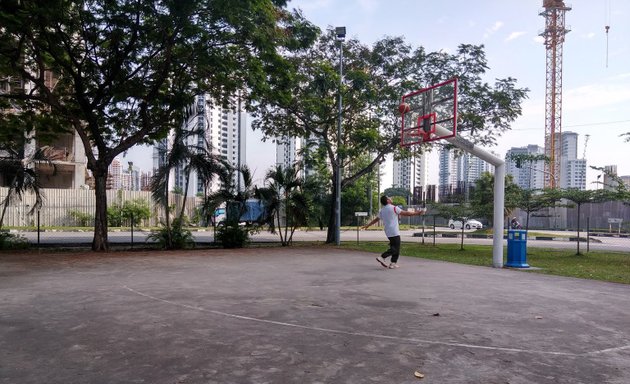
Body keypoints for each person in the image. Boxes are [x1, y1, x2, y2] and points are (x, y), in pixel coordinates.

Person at [362, 195, 426, 269]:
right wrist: (417, 213)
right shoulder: (394, 208)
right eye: (389, 198)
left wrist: (368, 225)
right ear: (387, 201)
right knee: (395, 248)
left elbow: (376, 219)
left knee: (395, 247)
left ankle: (393, 263)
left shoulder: (382, 210)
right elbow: (406, 213)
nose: (391, 198)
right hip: (394, 231)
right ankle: (382, 257)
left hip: (388, 231)